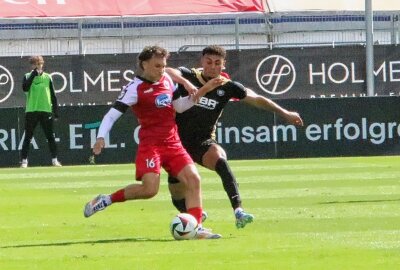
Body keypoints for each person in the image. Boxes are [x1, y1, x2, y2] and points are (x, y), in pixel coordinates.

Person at [83, 45, 224, 239]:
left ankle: (196, 227)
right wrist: (100, 137)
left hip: (173, 142)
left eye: (164, 65)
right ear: (144, 65)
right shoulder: (134, 88)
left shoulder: (167, 80)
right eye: (157, 66)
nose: (162, 70)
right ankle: (106, 199)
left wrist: (203, 90)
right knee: (149, 190)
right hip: (151, 145)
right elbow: (111, 116)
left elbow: (180, 107)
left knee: (194, 179)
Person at [166, 45, 304, 229]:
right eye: (209, 62)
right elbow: (167, 71)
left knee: (220, 159)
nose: (212, 66)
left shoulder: (227, 86)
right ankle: (192, 219)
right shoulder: (189, 75)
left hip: (203, 141)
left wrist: (285, 113)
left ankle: (238, 211)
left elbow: (256, 99)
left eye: (217, 63)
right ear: (202, 61)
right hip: (176, 143)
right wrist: (185, 83)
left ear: (223, 65)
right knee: (176, 192)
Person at [20, 55, 62, 168]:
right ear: (32, 65)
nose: (38, 66)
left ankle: (54, 160)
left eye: (40, 64)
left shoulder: (48, 77)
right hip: (32, 110)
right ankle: (24, 161)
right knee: (28, 136)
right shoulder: (27, 76)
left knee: (50, 136)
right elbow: (25, 88)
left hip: (45, 110)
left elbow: (53, 95)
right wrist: (34, 75)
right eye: (36, 64)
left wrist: (56, 110)